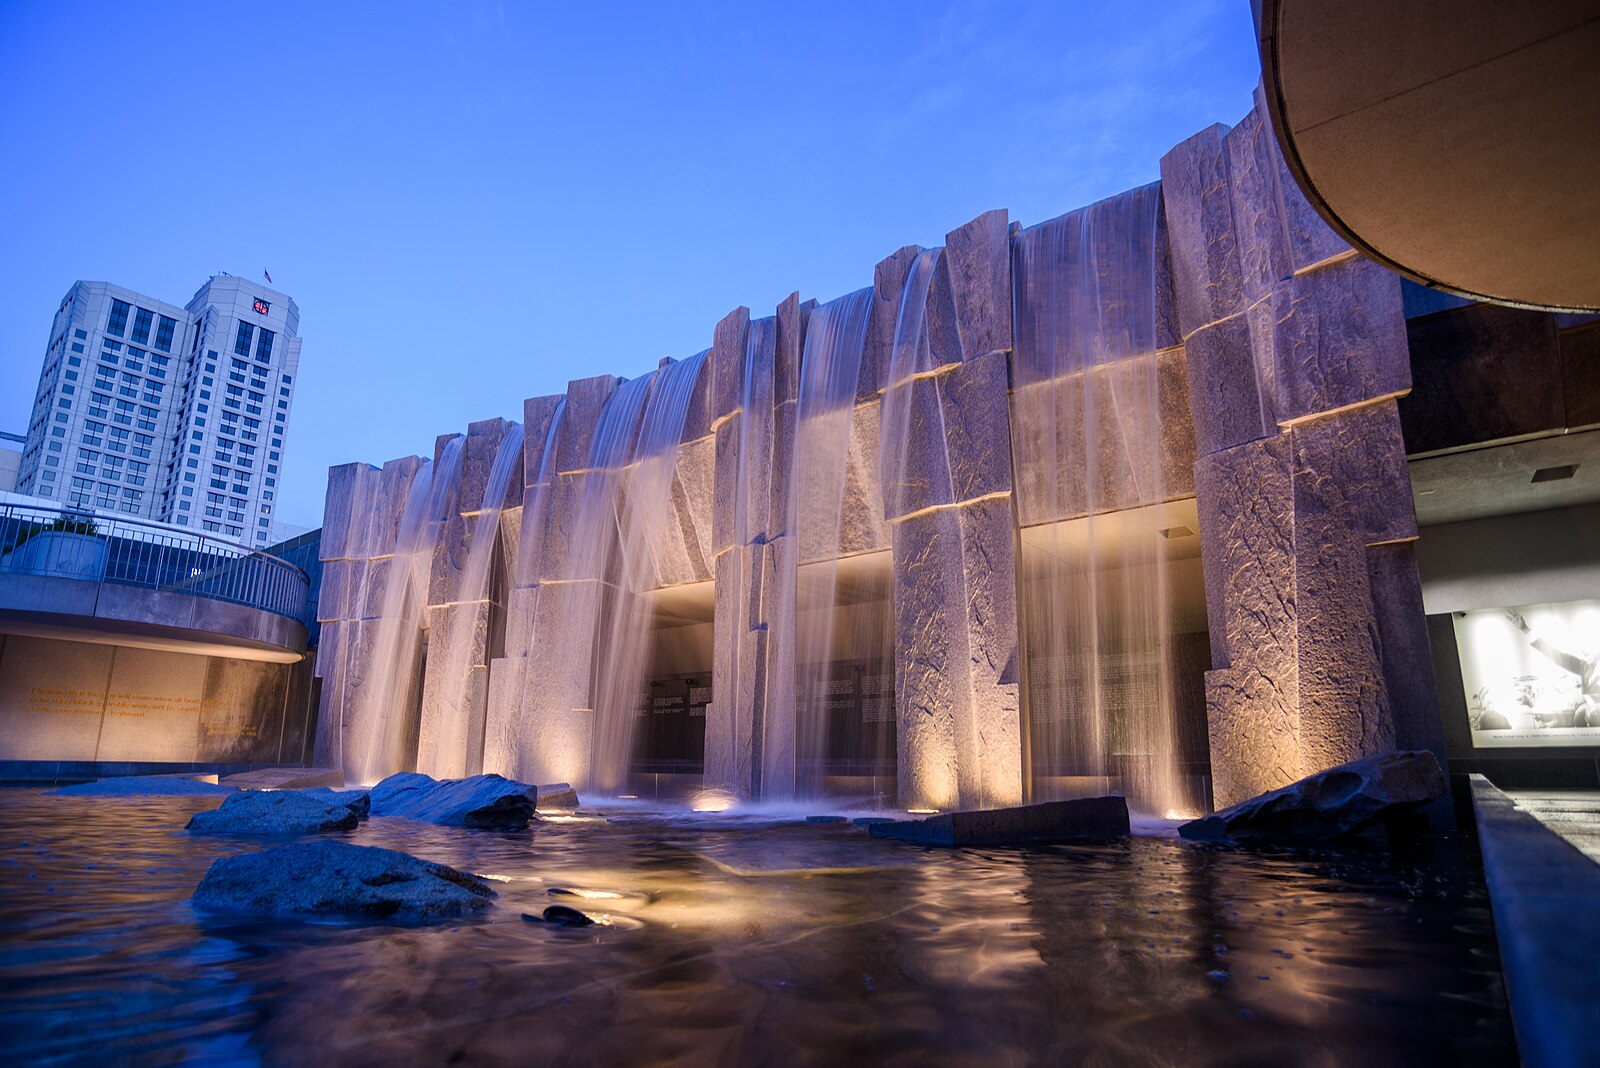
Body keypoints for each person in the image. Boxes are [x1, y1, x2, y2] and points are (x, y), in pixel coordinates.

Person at [1505, 609, 1600, 728]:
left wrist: (1590, 704)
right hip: (1587, 713)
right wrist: (1525, 629)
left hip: (1590, 712)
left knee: (1580, 714)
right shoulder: (1585, 666)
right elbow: (1554, 654)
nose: (1587, 654)